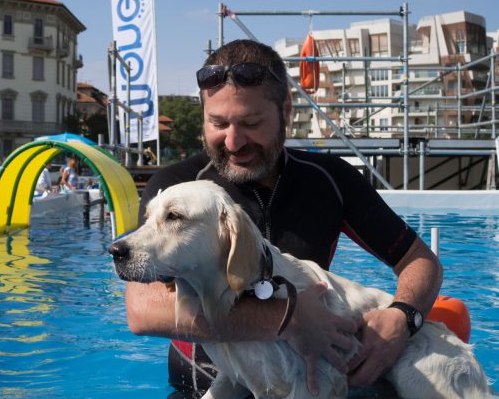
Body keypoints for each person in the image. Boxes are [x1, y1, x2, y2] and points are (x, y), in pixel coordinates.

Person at [124, 39, 443, 397]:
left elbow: (419, 260)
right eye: (217, 122)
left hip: (315, 378)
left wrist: (402, 317)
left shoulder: (329, 180)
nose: (232, 141)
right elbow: (142, 310)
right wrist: (287, 319)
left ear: (287, 109)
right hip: (204, 384)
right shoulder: (176, 189)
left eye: (251, 122)